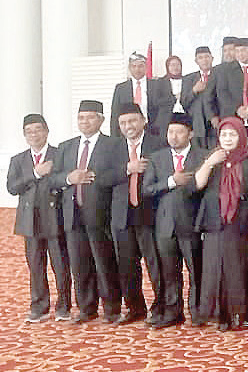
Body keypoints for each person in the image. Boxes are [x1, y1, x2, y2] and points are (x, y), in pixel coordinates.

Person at [193, 117, 248, 331]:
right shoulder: (210, 158)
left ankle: (242, 314)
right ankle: (222, 316)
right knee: (215, 269)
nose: (228, 138)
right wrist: (210, 162)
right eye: (224, 134)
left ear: (241, 136)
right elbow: (197, 185)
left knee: (239, 269)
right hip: (215, 222)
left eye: (232, 134)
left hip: (242, 223)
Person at [53, 100, 126, 323]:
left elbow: (120, 176)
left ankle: (112, 308)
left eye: (90, 117)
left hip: (101, 213)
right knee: (79, 263)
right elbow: (52, 179)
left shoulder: (114, 144)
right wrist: (68, 178)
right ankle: (86, 307)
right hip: (72, 214)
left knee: (105, 262)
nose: (85, 122)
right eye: (81, 118)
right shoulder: (66, 146)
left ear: (101, 119)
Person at [142, 112, 207, 328]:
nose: (174, 137)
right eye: (171, 132)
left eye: (179, 132)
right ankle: (173, 312)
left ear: (191, 134)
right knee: (169, 272)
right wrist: (171, 181)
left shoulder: (203, 157)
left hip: (193, 223)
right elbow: (147, 189)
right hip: (165, 225)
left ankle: (198, 312)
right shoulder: (156, 157)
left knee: (197, 271)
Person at [7, 114, 71, 323]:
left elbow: (65, 181)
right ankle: (39, 306)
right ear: (25, 135)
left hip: (55, 216)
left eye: (38, 130)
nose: (34, 134)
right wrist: (35, 173)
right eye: (29, 131)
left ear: (46, 131)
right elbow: (12, 188)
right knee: (35, 265)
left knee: (60, 264)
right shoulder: (18, 159)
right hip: (30, 219)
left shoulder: (58, 154)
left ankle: (63, 306)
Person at [111, 103, 166, 324]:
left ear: (143, 120)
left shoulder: (158, 144)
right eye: (123, 123)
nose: (128, 126)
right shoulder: (112, 147)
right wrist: (128, 169)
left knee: (156, 264)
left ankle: (161, 308)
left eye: (132, 121)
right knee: (126, 266)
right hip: (122, 215)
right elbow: (102, 178)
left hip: (149, 213)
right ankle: (135, 309)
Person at [211, 38, 248, 147]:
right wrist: (237, 108)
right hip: (232, 117)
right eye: (238, 51)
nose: (241, 54)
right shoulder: (226, 70)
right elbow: (222, 93)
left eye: (244, 50)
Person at [111, 51, 176, 138]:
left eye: (140, 66)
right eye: (134, 66)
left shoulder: (159, 85)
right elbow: (115, 114)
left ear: (146, 67)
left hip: (154, 131)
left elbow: (166, 109)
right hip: (129, 131)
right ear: (129, 68)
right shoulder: (121, 88)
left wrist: (159, 128)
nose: (137, 69)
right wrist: (115, 138)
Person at [181, 46, 218, 148]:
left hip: (215, 124)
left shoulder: (220, 75)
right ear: (196, 61)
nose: (204, 60)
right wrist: (194, 90)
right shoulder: (188, 79)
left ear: (212, 58)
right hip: (197, 125)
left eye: (207, 57)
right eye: (200, 58)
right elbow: (183, 103)